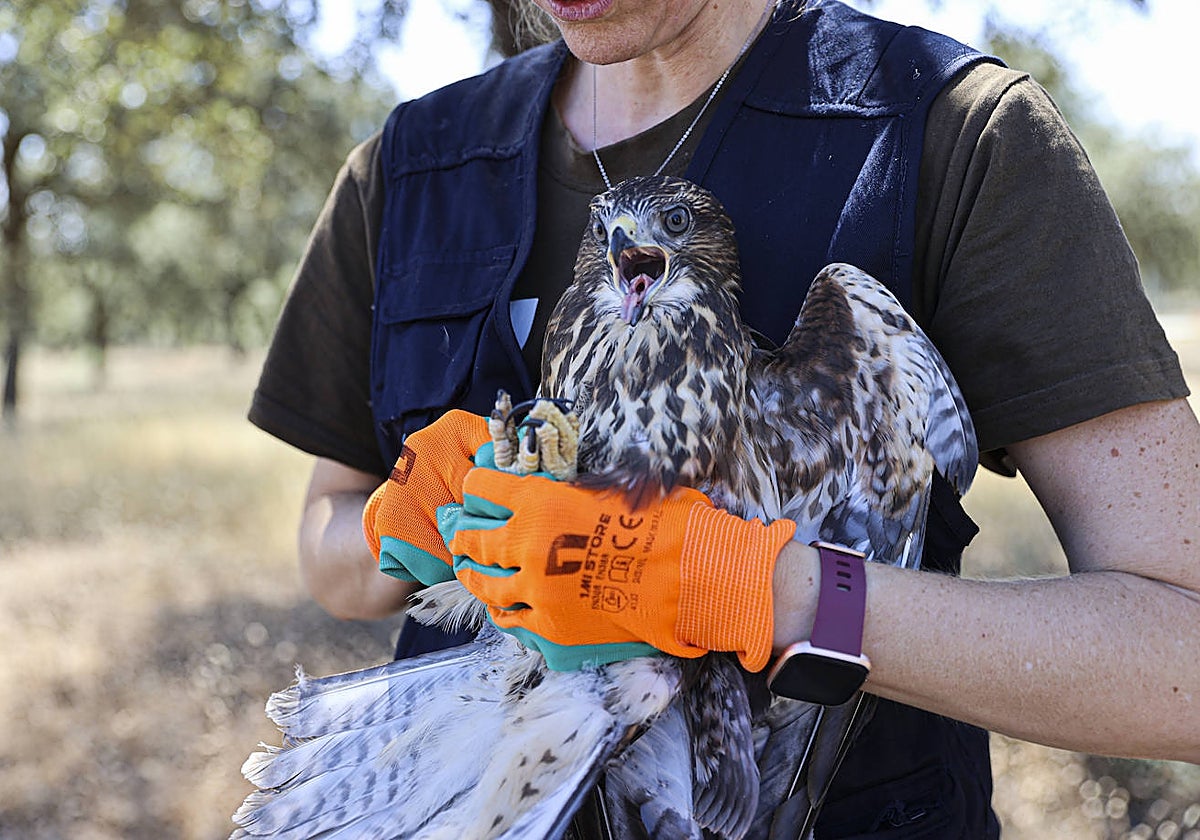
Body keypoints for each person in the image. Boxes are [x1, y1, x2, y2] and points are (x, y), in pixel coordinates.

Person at [248, 0, 1200, 834]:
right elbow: (328, 538)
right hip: (486, 783)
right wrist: (424, 526)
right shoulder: (409, 168)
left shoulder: (952, 135)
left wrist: (753, 588)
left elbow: (1181, 664)